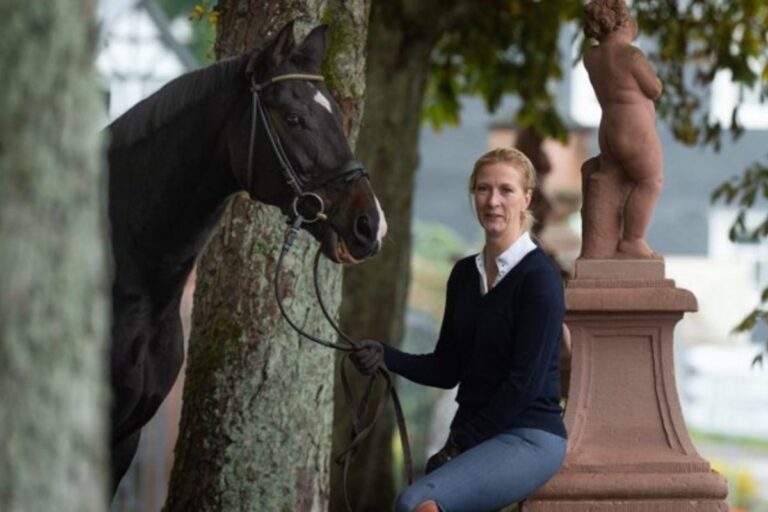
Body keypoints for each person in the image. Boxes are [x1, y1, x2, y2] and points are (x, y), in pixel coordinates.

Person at [352, 147, 567, 512]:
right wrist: (386, 355)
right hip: (476, 434)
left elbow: (522, 385)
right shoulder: (465, 275)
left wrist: (459, 445)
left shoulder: (540, 280)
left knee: (417, 503)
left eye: (506, 190)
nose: (493, 201)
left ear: (526, 198)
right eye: (483, 189)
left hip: (529, 435)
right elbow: (447, 367)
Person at [582, 0, 664, 259]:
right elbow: (654, 88)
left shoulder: (591, 58)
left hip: (608, 129)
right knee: (650, 180)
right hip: (634, 127)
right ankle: (632, 239)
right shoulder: (631, 55)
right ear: (622, 23)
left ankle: (610, 238)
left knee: (617, 176)